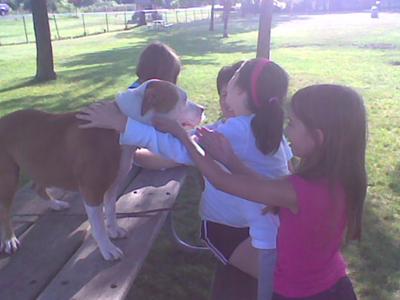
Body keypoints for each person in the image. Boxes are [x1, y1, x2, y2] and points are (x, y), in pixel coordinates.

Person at [76, 58, 293, 299]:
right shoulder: (270, 132)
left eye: (229, 84)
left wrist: (123, 124)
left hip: (237, 229)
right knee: (291, 277)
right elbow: (286, 172)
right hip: (257, 228)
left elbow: (181, 150)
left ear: (240, 92)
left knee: (286, 281)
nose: (224, 93)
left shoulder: (236, 130)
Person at [153, 84, 367, 300]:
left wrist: (181, 134)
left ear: (318, 137)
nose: (286, 130)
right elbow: (268, 190)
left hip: (300, 293)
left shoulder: (299, 189)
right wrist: (231, 160)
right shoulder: (338, 179)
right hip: (336, 283)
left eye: (292, 123)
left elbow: (221, 181)